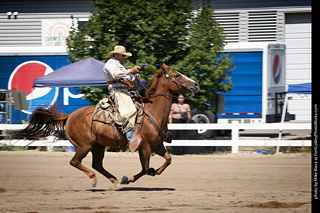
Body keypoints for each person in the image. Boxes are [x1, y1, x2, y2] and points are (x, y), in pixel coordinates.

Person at [103, 45, 142, 152]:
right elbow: (115, 75)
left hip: (124, 91)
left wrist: (135, 78)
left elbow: (128, 81)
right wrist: (131, 70)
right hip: (116, 91)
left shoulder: (121, 66)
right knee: (129, 110)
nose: (124, 57)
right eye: (122, 55)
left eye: (124, 55)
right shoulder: (110, 63)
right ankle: (130, 139)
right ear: (116, 55)